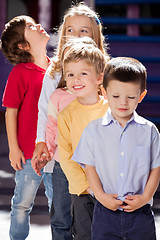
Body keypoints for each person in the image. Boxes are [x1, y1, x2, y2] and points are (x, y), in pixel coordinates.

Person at [31, 3, 109, 240]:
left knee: (91, 216)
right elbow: (45, 111)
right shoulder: (55, 71)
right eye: (70, 31)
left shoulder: (104, 69)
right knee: (61, 212)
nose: (76, 36)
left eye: (83, 31)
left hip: (96, 159)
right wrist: (41, 142)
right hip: (61, 157)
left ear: (95, 35)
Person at [72, 57, 160, 240]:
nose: (123, 103)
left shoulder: (149, 131)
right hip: (105, 212)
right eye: (116, 96)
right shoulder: (93, 130)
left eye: (130, 97)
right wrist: (101, 196)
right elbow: (90, 168)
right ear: (104, 92)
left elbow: (155, 169)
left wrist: (145, 198)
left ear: (141, 96)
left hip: (140, 214)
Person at [1, 15, 53, 240]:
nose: (39, 26)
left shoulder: (57, 69)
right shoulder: (20, 73)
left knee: (58, 205)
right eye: (31, 27)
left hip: (55, 153)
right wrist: (14, 148)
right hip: (28, 154)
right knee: (22, 204)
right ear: (23, 45)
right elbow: (10, 112)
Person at [56, 38, 108, 240]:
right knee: (85, 234)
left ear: (99, 78)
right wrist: (84, 185)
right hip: (83, 191)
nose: (75, 79)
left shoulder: (111, 110)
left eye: (83, 74)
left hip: (110, 187)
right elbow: (66, 155)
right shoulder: (66, 115)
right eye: (70, 75)